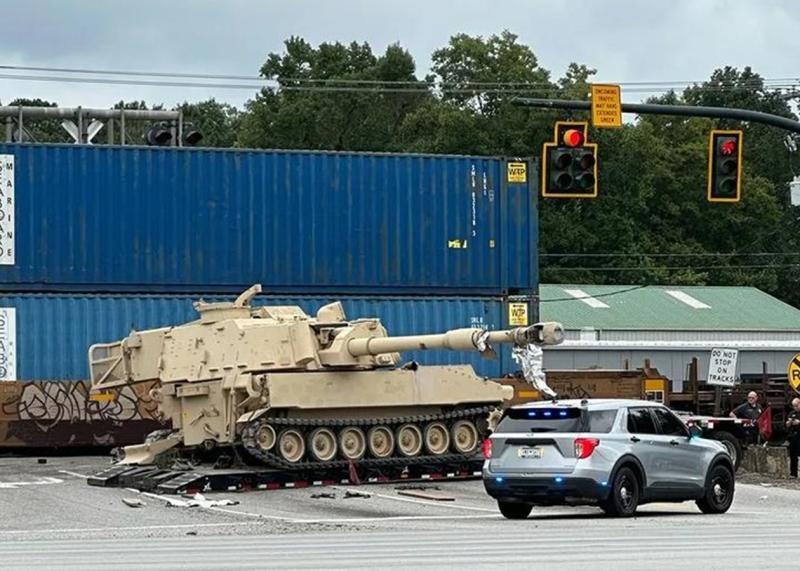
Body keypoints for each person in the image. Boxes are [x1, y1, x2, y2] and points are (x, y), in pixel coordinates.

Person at [786, 398, 800, 478]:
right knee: (793, 455)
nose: (795, 407)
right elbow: (787, 424)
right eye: (794, 406)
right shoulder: (792, 413)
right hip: (793, 434)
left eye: (796, 406)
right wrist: (789, 423)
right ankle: (793, 473)